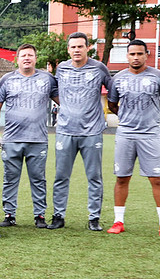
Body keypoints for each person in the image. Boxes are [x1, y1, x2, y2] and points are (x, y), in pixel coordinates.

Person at [106, 40, 160, 237]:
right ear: (127, 56)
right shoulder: (118, 78)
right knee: (121, 178)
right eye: (132, 54)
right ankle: (118, 221)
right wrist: (127, 119)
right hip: (125, 133)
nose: (135, 57)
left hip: (149, 134)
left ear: (147, 55)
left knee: (156, 178)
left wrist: (153, 117)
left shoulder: (158, 77)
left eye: (139, 54)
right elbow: (112, 105)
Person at [48, 32, 112, 231]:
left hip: (92, 131)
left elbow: (113, 90)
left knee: (94, 176)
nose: (77, 50)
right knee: (61, 176)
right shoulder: (62, 68)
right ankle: (58, 216)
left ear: (87, 48)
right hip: (65, 130)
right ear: (68, 49)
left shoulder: (99, 68)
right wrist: (66, 106)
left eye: (80, 46)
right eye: (73, 47)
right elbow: (53, 91)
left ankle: (94, 218)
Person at [0, 44, 58, 229]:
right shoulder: (7, 79)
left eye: (30, 55)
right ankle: (10, 214)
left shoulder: (47, 79)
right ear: (17, 59)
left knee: (38, 178)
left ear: (36, 58)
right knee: (10, 178)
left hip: (38, 139)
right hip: (12, 138)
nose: (27, 58)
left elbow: (61, 101)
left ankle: (40, 215)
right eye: (23, 55)